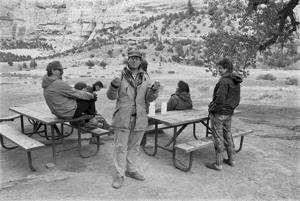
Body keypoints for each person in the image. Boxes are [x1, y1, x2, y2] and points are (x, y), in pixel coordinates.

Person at [106, 50, 160, 189]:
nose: (134, 60)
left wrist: (154, 90)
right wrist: (113, 86)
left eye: (137, 58)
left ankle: (131, 170)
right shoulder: (119, 76)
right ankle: (119, 174)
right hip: (123, 117)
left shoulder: (146, 77)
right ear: (128, 60)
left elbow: (148, 98)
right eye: (132, 58)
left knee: (135, 147)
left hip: (140, 117)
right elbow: (111, 96)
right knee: (120, 147)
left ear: (141, 61)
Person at [206, 58, 242, 171]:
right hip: (229, 112)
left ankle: (218, 163)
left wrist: (213, 109)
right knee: (228, 135)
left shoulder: (223, 81)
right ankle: (231, 160)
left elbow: (220, 99)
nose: (219, 70)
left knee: (218, 137)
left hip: (219, 113)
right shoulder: (235, 81)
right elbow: (236, 99)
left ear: (226, 68)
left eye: (220, 68)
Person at [42, 61, 99, 129]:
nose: (62, 72)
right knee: (90, 98)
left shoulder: (47, 83)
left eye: (62, 70)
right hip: (68, 113)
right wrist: (92, 95)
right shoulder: (57, 83)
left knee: (85, 97)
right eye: (60, 70)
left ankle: (87, 121)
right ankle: (90, 123)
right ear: (53, 71)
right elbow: (77, 93)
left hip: (59, 113)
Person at [74, 81, 111, 145]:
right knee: (99, 120)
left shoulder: (76, 95)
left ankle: (110, 131)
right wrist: (93, 99)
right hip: (79, 121)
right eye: (85, 89)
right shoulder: (88, 95)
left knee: (98, 117)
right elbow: (91, 112)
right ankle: (97, 137)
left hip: (76, 118)